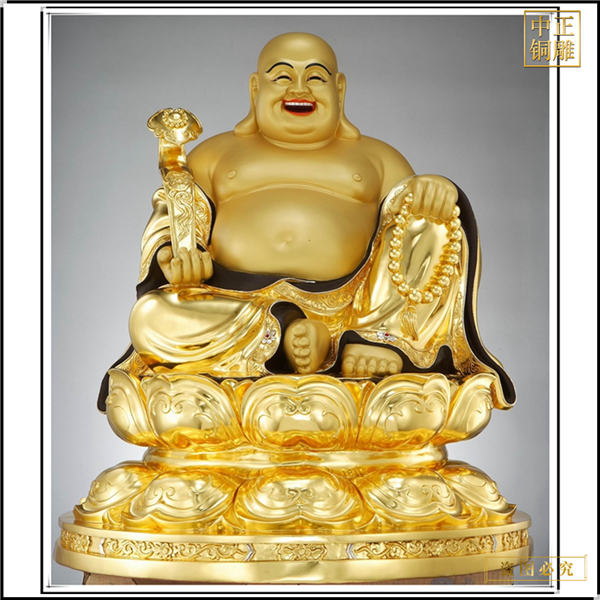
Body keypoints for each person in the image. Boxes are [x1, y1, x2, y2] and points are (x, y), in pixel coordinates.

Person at [98, 32, 515, 411]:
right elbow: (173, 215)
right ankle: (286, 334)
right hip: (238, 304)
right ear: (255, 89)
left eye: (315, 77)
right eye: (282, 77)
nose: (298, 89)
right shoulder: (214, 154)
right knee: (149, 318)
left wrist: (435, 189)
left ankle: (378, 341)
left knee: (436, 216)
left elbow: (410, 237)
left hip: (353, 310)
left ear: (340, 89)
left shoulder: (377, 158)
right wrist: (175, 255)